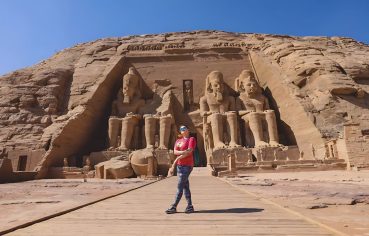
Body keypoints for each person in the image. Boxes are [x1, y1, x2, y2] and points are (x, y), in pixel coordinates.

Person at [165, 125, 196, 214]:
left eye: (184, 128)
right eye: (181, 129)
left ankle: (173, 206)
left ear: (188, 130)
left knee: (180, 186)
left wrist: (175, 161)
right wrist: (183, 152)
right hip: (180, 166)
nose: (182, 130)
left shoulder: (191, 139)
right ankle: (190, 206)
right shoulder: (178, 141)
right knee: (185, 186)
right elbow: (175, 152)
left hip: (187, 165)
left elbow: (189, 152)